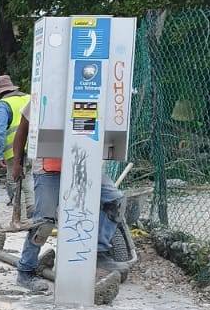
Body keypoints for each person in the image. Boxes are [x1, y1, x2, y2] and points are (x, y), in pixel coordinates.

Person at [9, 104, 126, 292]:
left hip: (84, 163)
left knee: (114, 200)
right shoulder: (47, 94)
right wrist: (17, 163)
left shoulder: (93, 94)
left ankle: (100, 251)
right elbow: (22, 130)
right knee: (43, 222)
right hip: (49, 167)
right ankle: (26, 270)